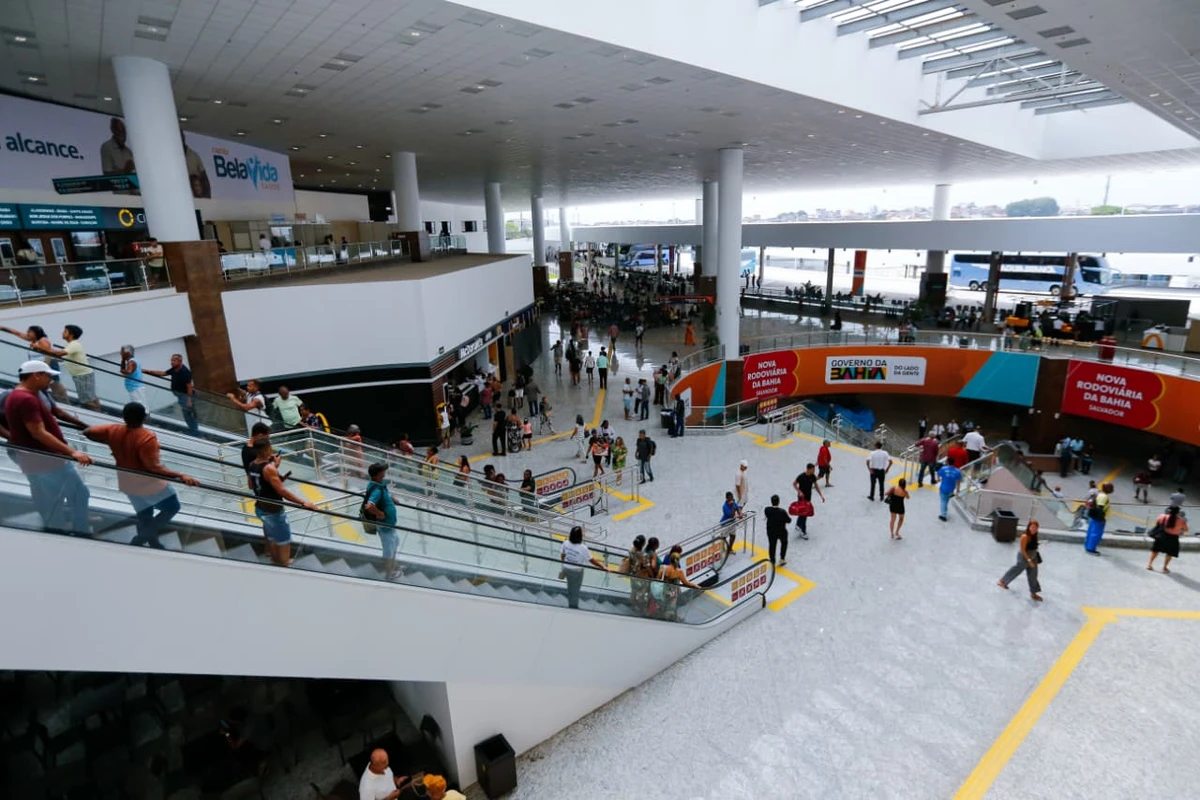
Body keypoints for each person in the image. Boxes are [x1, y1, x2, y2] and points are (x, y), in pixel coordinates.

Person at [84, 402, 198, 549]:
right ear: (144, 418)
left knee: (144, 512)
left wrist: (107, 441)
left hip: (127, 482)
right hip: (150, 484)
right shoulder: (147, 438)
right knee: (172, 507)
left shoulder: (113, 430)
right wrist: (181, 475)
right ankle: (143, 537)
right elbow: (153, 467)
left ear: (124, 417)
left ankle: (152, 541)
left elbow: (88, 431)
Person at [3, 361, 93, 535]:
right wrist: (72, 452)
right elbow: (38, 433)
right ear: (36, 375)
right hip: (48, 461)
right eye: (48, 376)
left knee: (73, 495)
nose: (51, 380)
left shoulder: (21, 394)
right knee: (67, 497)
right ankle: (70, 533)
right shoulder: (26, 399)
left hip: (40, 461)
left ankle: (69, 530)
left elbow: (55, 414)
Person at [247, 438, 317, 566]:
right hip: (274, 511)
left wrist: (275, 469)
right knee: (283, 541)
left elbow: (251, 485)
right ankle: (284, 563)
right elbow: (282, 491)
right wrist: (303, 502)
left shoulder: (251, 465)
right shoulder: (269, 469)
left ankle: (275, 560)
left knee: (273, 537)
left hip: (260, 508)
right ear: (267, 449)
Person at [46, 325, 100, 411]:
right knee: (89, 397)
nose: (62, 333)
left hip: (83, 375)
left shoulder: (74, 345)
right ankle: (97, 411)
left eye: (65, 331)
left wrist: (45, 349)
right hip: (80, 375)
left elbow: (60, 353)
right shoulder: (71, 345)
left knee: (87, 400)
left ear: (71, 334)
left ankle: (97, 414)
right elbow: (62, 358)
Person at [144, 353, 199, 435]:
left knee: (188, 415)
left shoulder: (185, 372)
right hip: (181, 396)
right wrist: (148, 371)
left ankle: (195, 432)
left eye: (174, 360)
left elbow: (189, 386)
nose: (172, 362)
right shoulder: (174, 369)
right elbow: (163, 373)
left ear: (180, 362)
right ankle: (193, 430)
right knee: (188, 414)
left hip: (186, 397)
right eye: (171, 360)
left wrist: (189, 400)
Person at [363, 463, 400, 579]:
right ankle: (389, 573)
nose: (385, 472)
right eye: (383, 471)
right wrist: (380, 514)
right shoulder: (377, 489)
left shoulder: (380, 485)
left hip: (390, 525)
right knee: (388, 550)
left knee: (396, 543)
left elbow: (386, 493)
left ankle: (394, 566)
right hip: (385, 527)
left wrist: (393, 499)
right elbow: (369, 506)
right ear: (378, 474)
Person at [560, 525, 609, 609]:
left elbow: (562, 555)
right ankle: (573, 606)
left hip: (566, 568)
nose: (583, 533)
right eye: (582, 532)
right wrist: (603, 567)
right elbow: (592, 560)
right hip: (576, 571)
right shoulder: (583, 548)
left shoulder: (566, 543)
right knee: (575, 589)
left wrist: (565, 563)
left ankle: (571, 601)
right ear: (579, 536)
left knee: (570, 586)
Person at [998, 521, 1043, 602]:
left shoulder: (1035, 536)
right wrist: (1029, 560)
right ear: (1028, 527)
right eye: (1032, 527)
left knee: (1033, 574)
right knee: (1017, 569)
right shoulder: (1024, 536)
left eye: (1036, 528)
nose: (1034, 529)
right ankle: (1003, 581)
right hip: (1024, 556)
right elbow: (1023, 550)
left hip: (1033, 556)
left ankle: (1034, 593)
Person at [656, 551, 703, 622]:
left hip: (665, 591)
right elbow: (686, 583)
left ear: (670, 559)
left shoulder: (663, 568)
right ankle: (672, 619)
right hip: (673, 593)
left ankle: (663, 617)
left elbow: (658, 578)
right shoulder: (679, 572)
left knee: (665, 604)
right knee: (672, 607)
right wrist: (695, 585)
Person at [1148, 506, 1188, 573]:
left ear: (1168, 511)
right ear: (1178, 512)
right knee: (1170, 553)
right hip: (1173, 538)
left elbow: (1157, 524)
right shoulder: (1181, 521)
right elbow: (1186, 529)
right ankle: (1165, 567)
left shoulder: (1161, 516)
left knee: (1155, 550)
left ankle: (1149, 564)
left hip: (1161, 536)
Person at [792, 462, 825, 540]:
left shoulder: (812, 476)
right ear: (808, 469)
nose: (814, 471)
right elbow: (794, 484)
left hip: (808, 498)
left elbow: (815, 485)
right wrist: (799, 491)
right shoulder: (801, 476)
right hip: (801, 498)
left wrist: (821, 495)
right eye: (813, 469)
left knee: (802, 513)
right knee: (804, 514)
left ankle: (797, 525)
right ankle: (803, 531)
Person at [100, 117, 135, 183]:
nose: (123, 136)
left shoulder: (128, 151)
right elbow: (107, 176)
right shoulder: (107, 147)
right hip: (118, 192)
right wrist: (126, 170)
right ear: (113, 131)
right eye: (120, 132)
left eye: (124, 132)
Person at [1084, 482, 1113, 555]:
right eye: (1111, 487)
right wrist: (1102, 519)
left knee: (1091, 532)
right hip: (1098, 518)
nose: (1113, 489)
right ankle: (1091, 549)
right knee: (1096, 533)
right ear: (1107, 488)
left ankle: (1088, 546)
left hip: (1094, 517)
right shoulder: (1104, 496)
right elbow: (1100, 508)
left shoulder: (1100, 494)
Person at [764, 494, 791, 566]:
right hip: (781, 531)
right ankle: (782, 558)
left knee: (772, 545)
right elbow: (789, 520)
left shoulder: (767, 510)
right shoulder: (782, 512)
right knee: (784, 543)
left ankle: (772, 560)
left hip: (771, 531)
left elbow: (767, 514)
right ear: (778, 502)